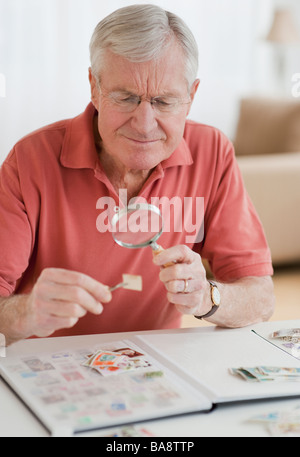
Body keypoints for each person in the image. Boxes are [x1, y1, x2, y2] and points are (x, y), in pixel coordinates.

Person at [0, 5, 275, 345]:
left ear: (191, 97)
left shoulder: (212, 152)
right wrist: (26, 312)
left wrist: (207, 298)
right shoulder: (29, 160)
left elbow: (261, 298)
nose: (144, 125)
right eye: (126, 97)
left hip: (153, 372)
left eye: (163, 101)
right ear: (94, 87)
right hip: (45, 368)